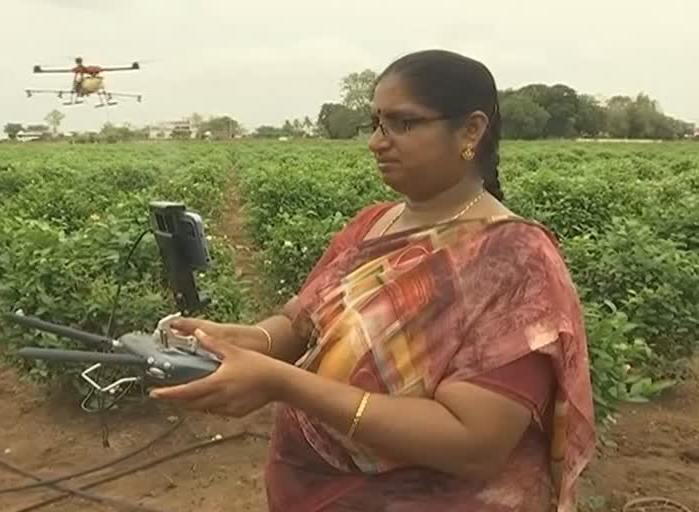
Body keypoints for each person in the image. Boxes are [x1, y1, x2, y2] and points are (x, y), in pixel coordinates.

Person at [149, 49, 596, 512]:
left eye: (403, 124)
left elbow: (474, 443)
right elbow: (302, 323)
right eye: (376, 123)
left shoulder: (515, 260)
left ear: (470, 131)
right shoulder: (373, 224)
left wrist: (283, 384)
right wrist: (241, 339)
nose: (376, 142)